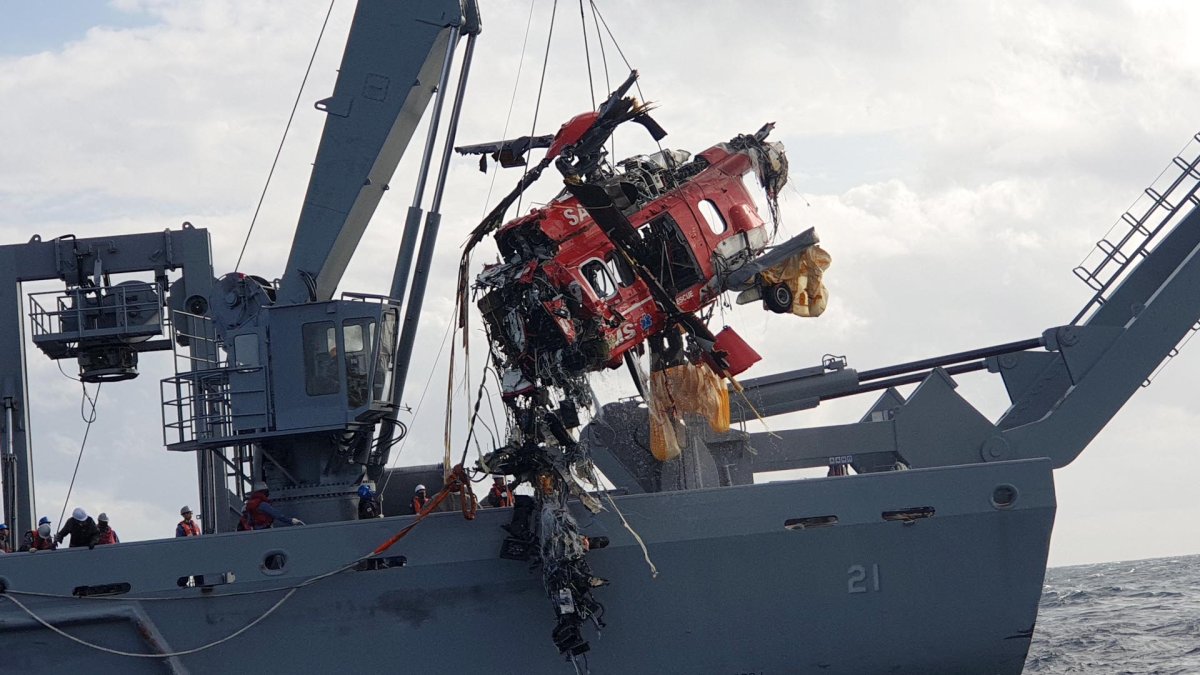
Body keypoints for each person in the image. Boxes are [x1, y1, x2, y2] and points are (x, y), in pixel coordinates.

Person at [238, 483, 304, 530]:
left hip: (255, 529)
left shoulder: (249, 504)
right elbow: (277, 515)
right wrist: (290, 521)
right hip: (264, 529)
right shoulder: (262, 504)